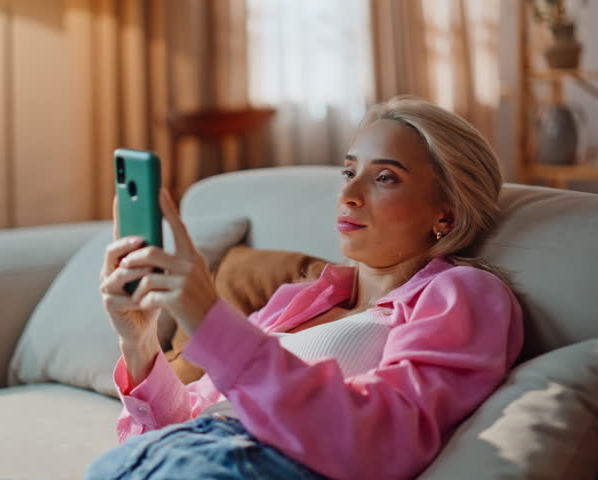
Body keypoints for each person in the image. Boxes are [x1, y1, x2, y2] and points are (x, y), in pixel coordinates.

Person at [87, 96, 524, 480]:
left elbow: (386, 439)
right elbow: (189, 418)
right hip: (170, 456)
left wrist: (208, 319)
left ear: (445, 215)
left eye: (385, 177)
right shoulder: (298, 299)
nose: (348, 194)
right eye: (349, 171)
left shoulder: (460, 293)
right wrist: (139, 341)